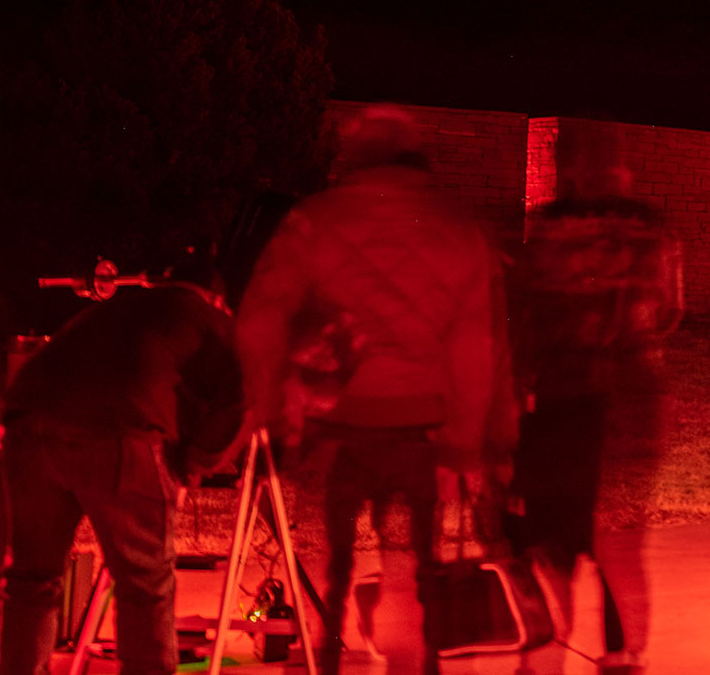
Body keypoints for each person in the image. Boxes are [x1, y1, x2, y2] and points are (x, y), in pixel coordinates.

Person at [235, 106, 510, 675]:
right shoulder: (456, 227)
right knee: (411, 564)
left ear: (352, 157)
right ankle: (410, 660)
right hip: (422, 428)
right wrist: (466, 442)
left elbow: (262, 319)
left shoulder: (315, 219)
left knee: (320, 558)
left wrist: (261, 411)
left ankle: (322, 655)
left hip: (328, 424)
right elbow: (477, 343)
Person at [0, 257, 244, 675]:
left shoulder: (112, 310)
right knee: (144, 587)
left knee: (31, 580)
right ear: (216, 298)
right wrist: (199, 461)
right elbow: (243, 394)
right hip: (120, 438)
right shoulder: (212, 322)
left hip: (28, 430)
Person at [511, 163, 680, 674]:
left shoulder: (549, 228)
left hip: (561, 396)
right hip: (630, 398)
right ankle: (623, 650)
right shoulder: (654, 231)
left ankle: (548, 647)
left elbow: (524, 316)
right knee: (618, 540)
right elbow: (670, 313)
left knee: (551, 535)